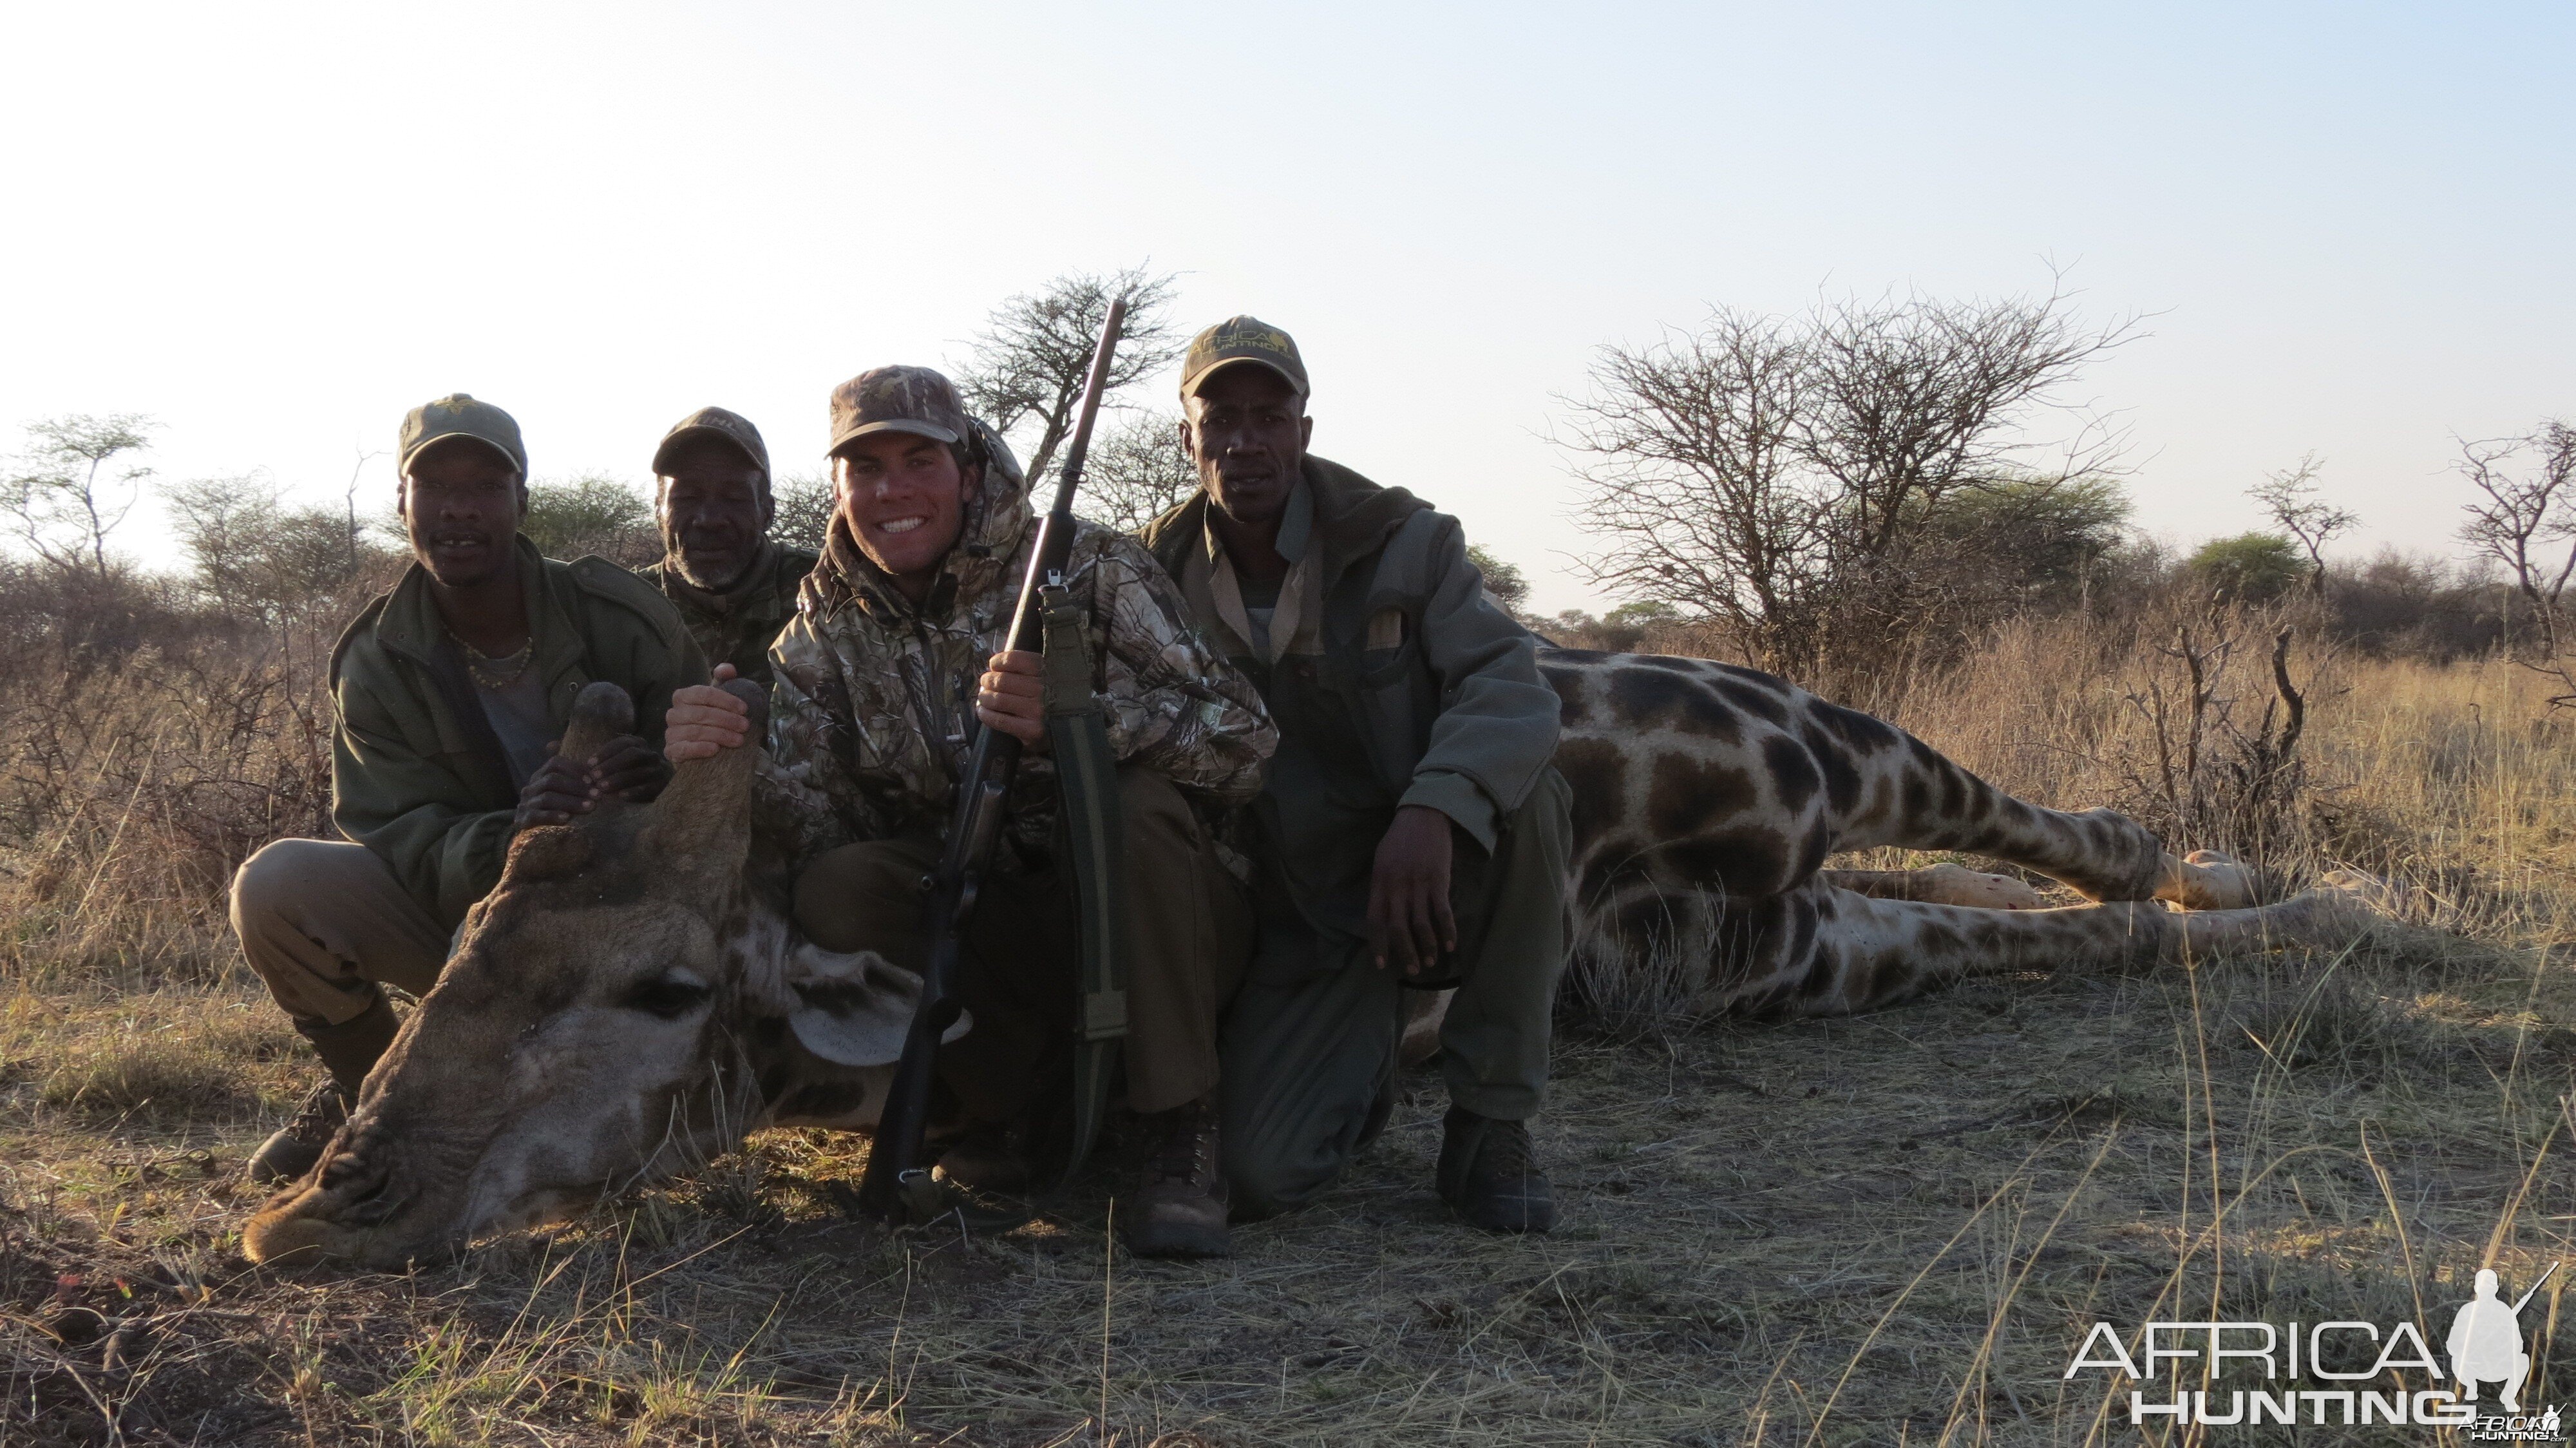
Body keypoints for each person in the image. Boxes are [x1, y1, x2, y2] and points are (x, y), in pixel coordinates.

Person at [663, 366, 1276, 1257]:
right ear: (837, 485)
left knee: (1130, 807)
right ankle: (1016, 1107)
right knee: (843, 888)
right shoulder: (820, 623)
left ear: (970, 470)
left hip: (1162, 918)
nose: (893, 491)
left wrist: (1085, 727)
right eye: (866, 469)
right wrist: (730, 760)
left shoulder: (1091, 567)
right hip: (998, 920)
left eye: (919, 461)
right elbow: (822, 825)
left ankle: (1181, 1123)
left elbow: (1248, 742)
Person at [1139, 318, 1572, 1233]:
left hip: (1424, 873)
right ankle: (1359, 1055)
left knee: (1532, 795)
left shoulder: (1408, 541)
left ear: (1304, 428)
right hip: (1291, 916)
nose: (1245, 441)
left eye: (1270, 416)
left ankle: (1493, 1121)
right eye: (1221, 420)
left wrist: (1434, 812)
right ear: (1188, 438)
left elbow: (1510, 685)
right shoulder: (1146, 570)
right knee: (1259, 1177)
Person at [231, 394, 706, 1183]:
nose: (459, 510)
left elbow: (719, 774)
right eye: (435, 488)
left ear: (521, 501)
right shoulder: (375, 659)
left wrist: (659, 791)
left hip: (627, 930)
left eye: (485, 487)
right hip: (478, 925)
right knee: (278, 885)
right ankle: (374, 1095)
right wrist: (514, 835)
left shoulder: (619, 615)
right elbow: (399, 834)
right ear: (402, 503)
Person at [635, 406, 818, 688]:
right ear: (658, 512)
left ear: (767, 512)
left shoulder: (827, 589)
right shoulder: (625, 607)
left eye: (734, 498)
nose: (709, 521)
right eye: (687, 498)